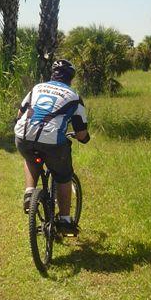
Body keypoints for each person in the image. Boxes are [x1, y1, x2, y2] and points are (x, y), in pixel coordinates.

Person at [14, 59, 90, 236]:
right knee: (63, 176)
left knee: (31, 158)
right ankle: (64, 220)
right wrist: (85, 138)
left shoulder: (37, 88)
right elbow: (80, 134)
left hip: (23, 136)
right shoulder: (74, 97)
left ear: (52, 75)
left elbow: (20, 114)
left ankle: (30, 192)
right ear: (71, 78)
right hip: (52, 141)